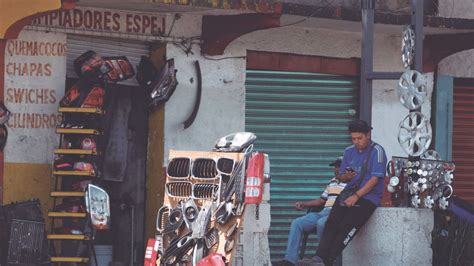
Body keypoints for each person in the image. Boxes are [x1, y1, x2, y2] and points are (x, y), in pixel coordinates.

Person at [311, 119, 388, 266]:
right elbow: (341, 176)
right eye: (353, 138)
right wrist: (344, 177)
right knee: (331, 223)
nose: (356, 142)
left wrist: (357, 196)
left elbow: (375, 179)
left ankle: (327, 261)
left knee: (346, 228)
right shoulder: (348, 151)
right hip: (348, 193)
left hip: (367, 197)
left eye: (359, 138)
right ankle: (318, 258)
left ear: (368, 135)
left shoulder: (377, 151)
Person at [274, 156, 347, 266]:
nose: (336, 169)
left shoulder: (350, 183)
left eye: (339, 166)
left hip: (336, 213)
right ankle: (290, 260)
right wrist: (304, 204)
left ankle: (323, 259)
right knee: (297, 223)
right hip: (323, 212)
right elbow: (321, 200)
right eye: (335, 167)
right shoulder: (331, 182)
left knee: (321, 223)